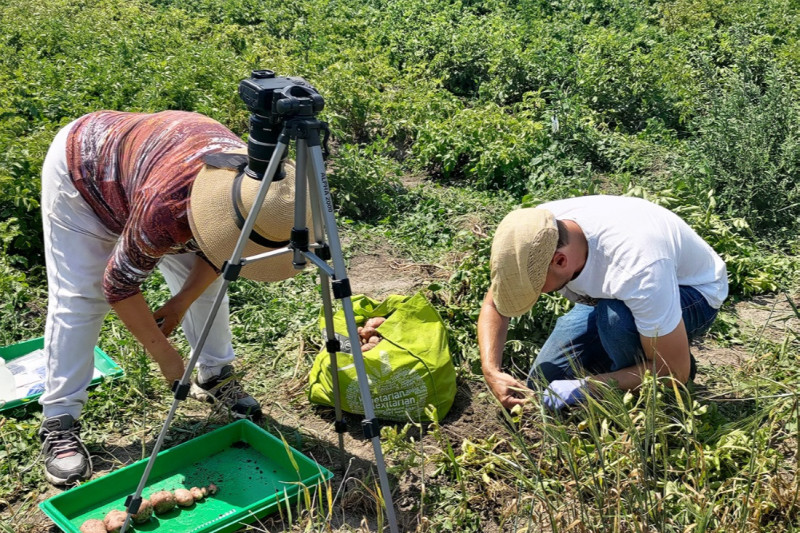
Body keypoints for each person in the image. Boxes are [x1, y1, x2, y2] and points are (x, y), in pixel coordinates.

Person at [38, 110, 310, 485]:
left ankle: (215, 375)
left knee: (208, 285)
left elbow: (221, 254)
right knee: (82, 296)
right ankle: (60, 418)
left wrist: (180, 302)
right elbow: (118, 285)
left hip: (159, 168)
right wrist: (167, 359)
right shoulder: (165, 211)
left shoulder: (264, 194)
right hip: (86, 172)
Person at [478, 195, 728, 410]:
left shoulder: (639, 270)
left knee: (616, 321)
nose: (535, 294)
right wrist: (491, 370)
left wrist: (589, 387)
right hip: (611, 295)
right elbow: (494, 304)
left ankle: (653, 391)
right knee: (543, 383)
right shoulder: (533, 234)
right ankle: (624, 364)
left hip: (693, 292)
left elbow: (675, 371)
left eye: (537, 288)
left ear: (560, 261)